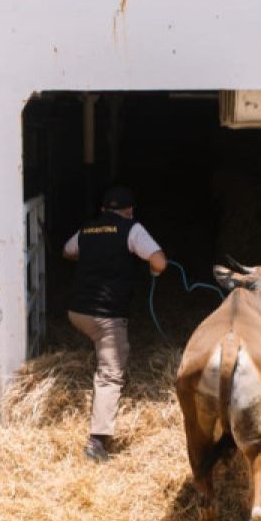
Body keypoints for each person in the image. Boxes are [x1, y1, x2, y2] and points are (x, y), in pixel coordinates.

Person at [63, 186, 167, 463]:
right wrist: (153, 270)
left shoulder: (88, 229)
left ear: (102, 210)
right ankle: (97, 441)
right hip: (106, 317)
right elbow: (159, 261)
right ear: (129, 211)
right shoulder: (132, 229)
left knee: (107, 349)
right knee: (110, 374)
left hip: (77, 312)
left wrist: (93, 257)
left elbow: (67, 252)